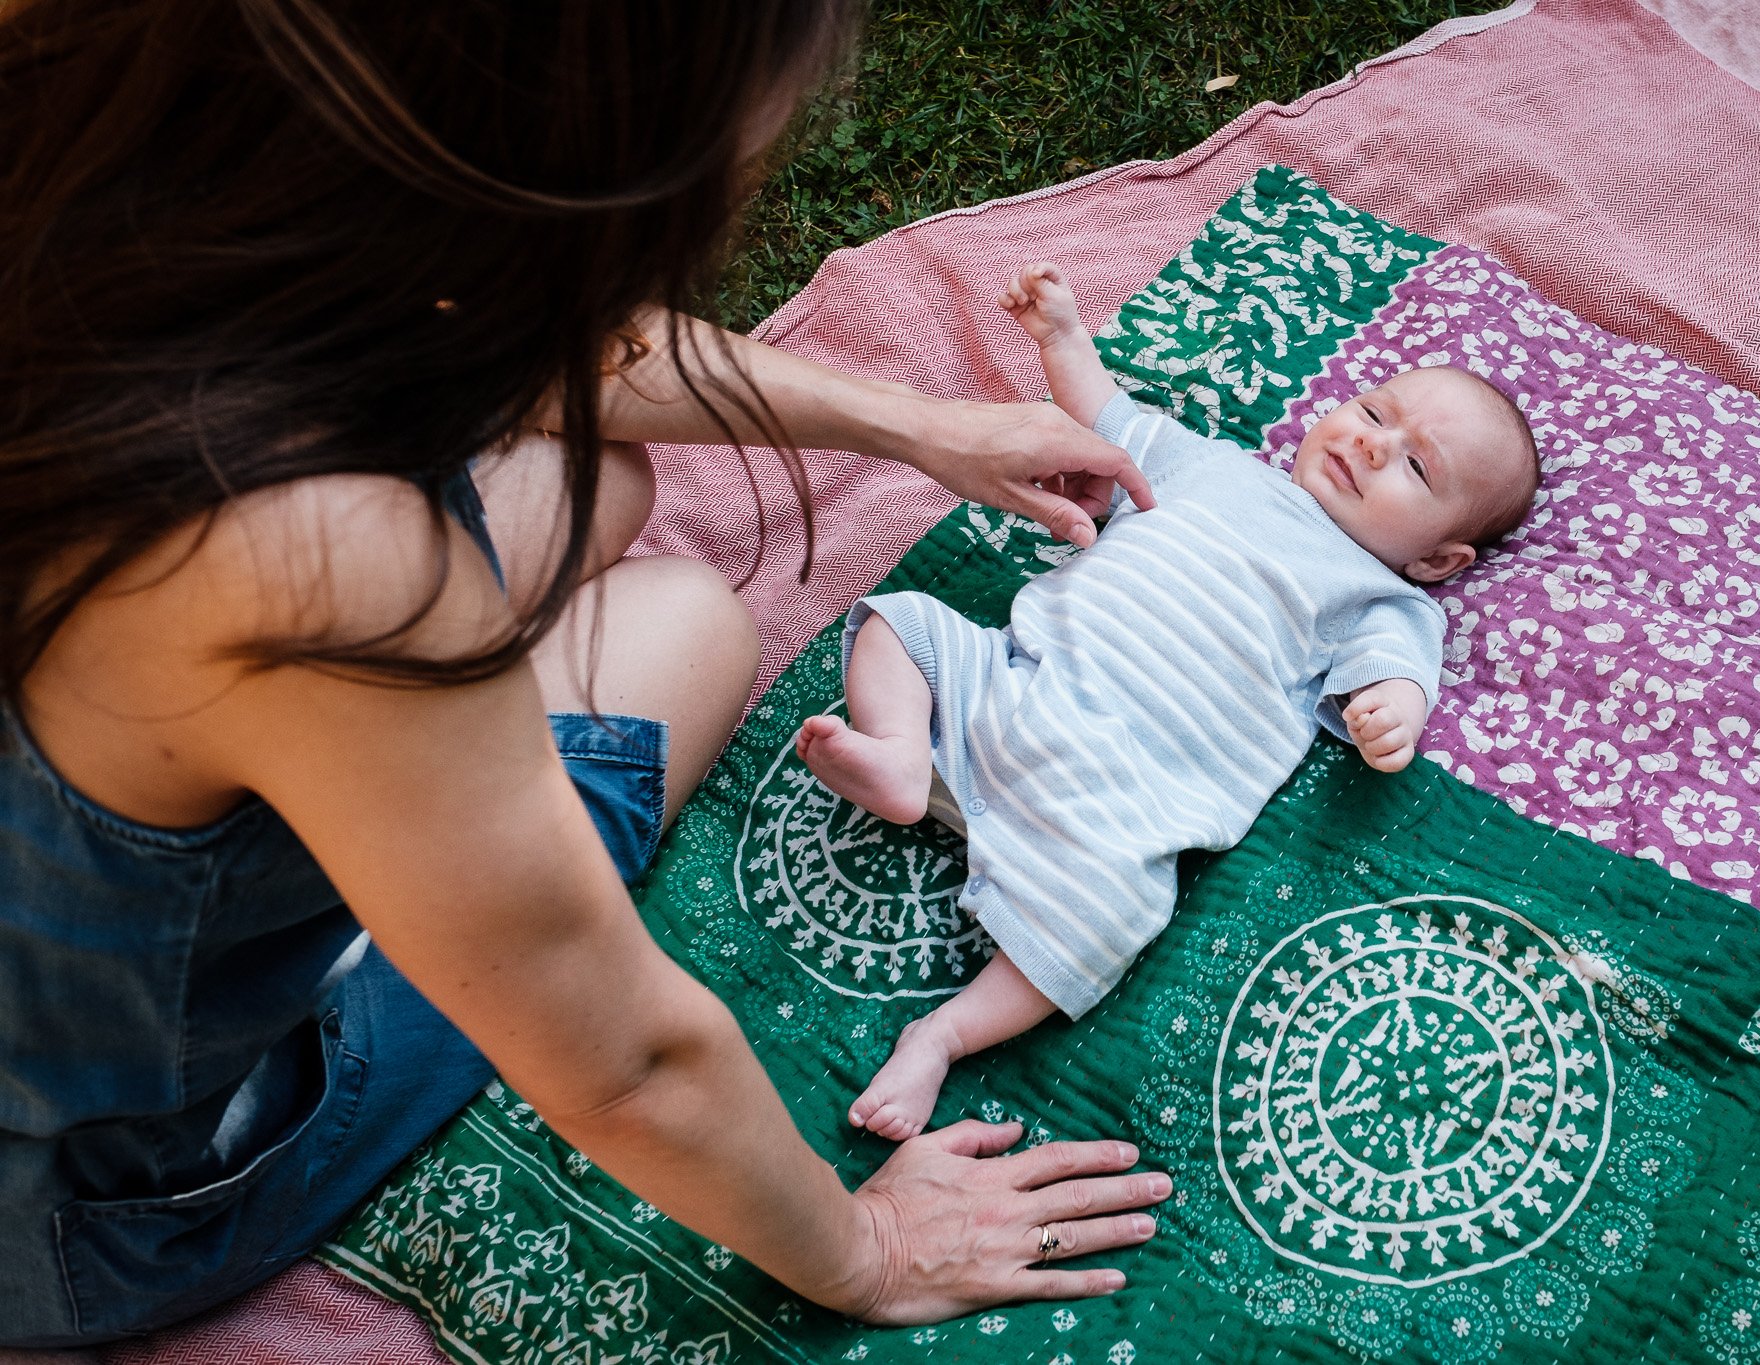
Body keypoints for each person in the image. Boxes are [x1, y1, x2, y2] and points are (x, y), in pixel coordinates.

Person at [0, 3, 1173, 1347]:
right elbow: (623, 1065)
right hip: (80, 1203)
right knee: (685, 628)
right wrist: (868, 1248)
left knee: (598, 483)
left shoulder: (93, 116)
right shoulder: (319, 558)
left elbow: (512, 350)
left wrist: (916, 424)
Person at [798, 263, 1540, 1140]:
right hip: (1013, 681)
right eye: (1375, 411)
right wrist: (1065, 340)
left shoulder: (1382, 596)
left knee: (1105, 923)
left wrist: (1396, 713)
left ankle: (940, 1036)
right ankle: (897, 753)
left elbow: (1399, 674)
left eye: (1415, 464)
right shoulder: (1210, 464)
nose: (1374, 443)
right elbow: (1105, 417)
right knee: (905, 624)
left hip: (1122, 796)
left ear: (1437, 560)